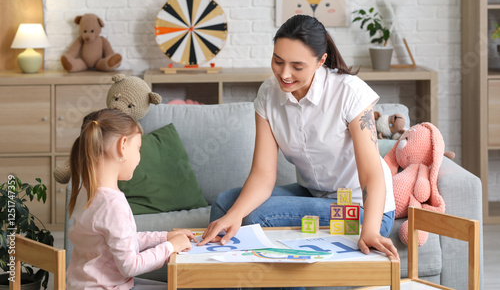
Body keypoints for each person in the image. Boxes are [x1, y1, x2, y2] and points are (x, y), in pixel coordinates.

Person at [199, 15, 399, 259]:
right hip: (314, 194)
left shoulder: (349, 91)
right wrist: (233, 214)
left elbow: (371, 174)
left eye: (297, 66)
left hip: (362, 206)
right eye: (278, 61)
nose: (284, 74)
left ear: (321, 61)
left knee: (256, 215)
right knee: (224, 204)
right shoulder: (268, 94)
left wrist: (369, 229)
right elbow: (263, 175)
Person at [67, 108, 196, 290]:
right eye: (138, 148)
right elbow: (131, 266)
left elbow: (121, 240)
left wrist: (165, 237)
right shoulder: (112, 204)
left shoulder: (86, 191)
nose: (139, 157)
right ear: (122, 146)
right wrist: (170, 247)